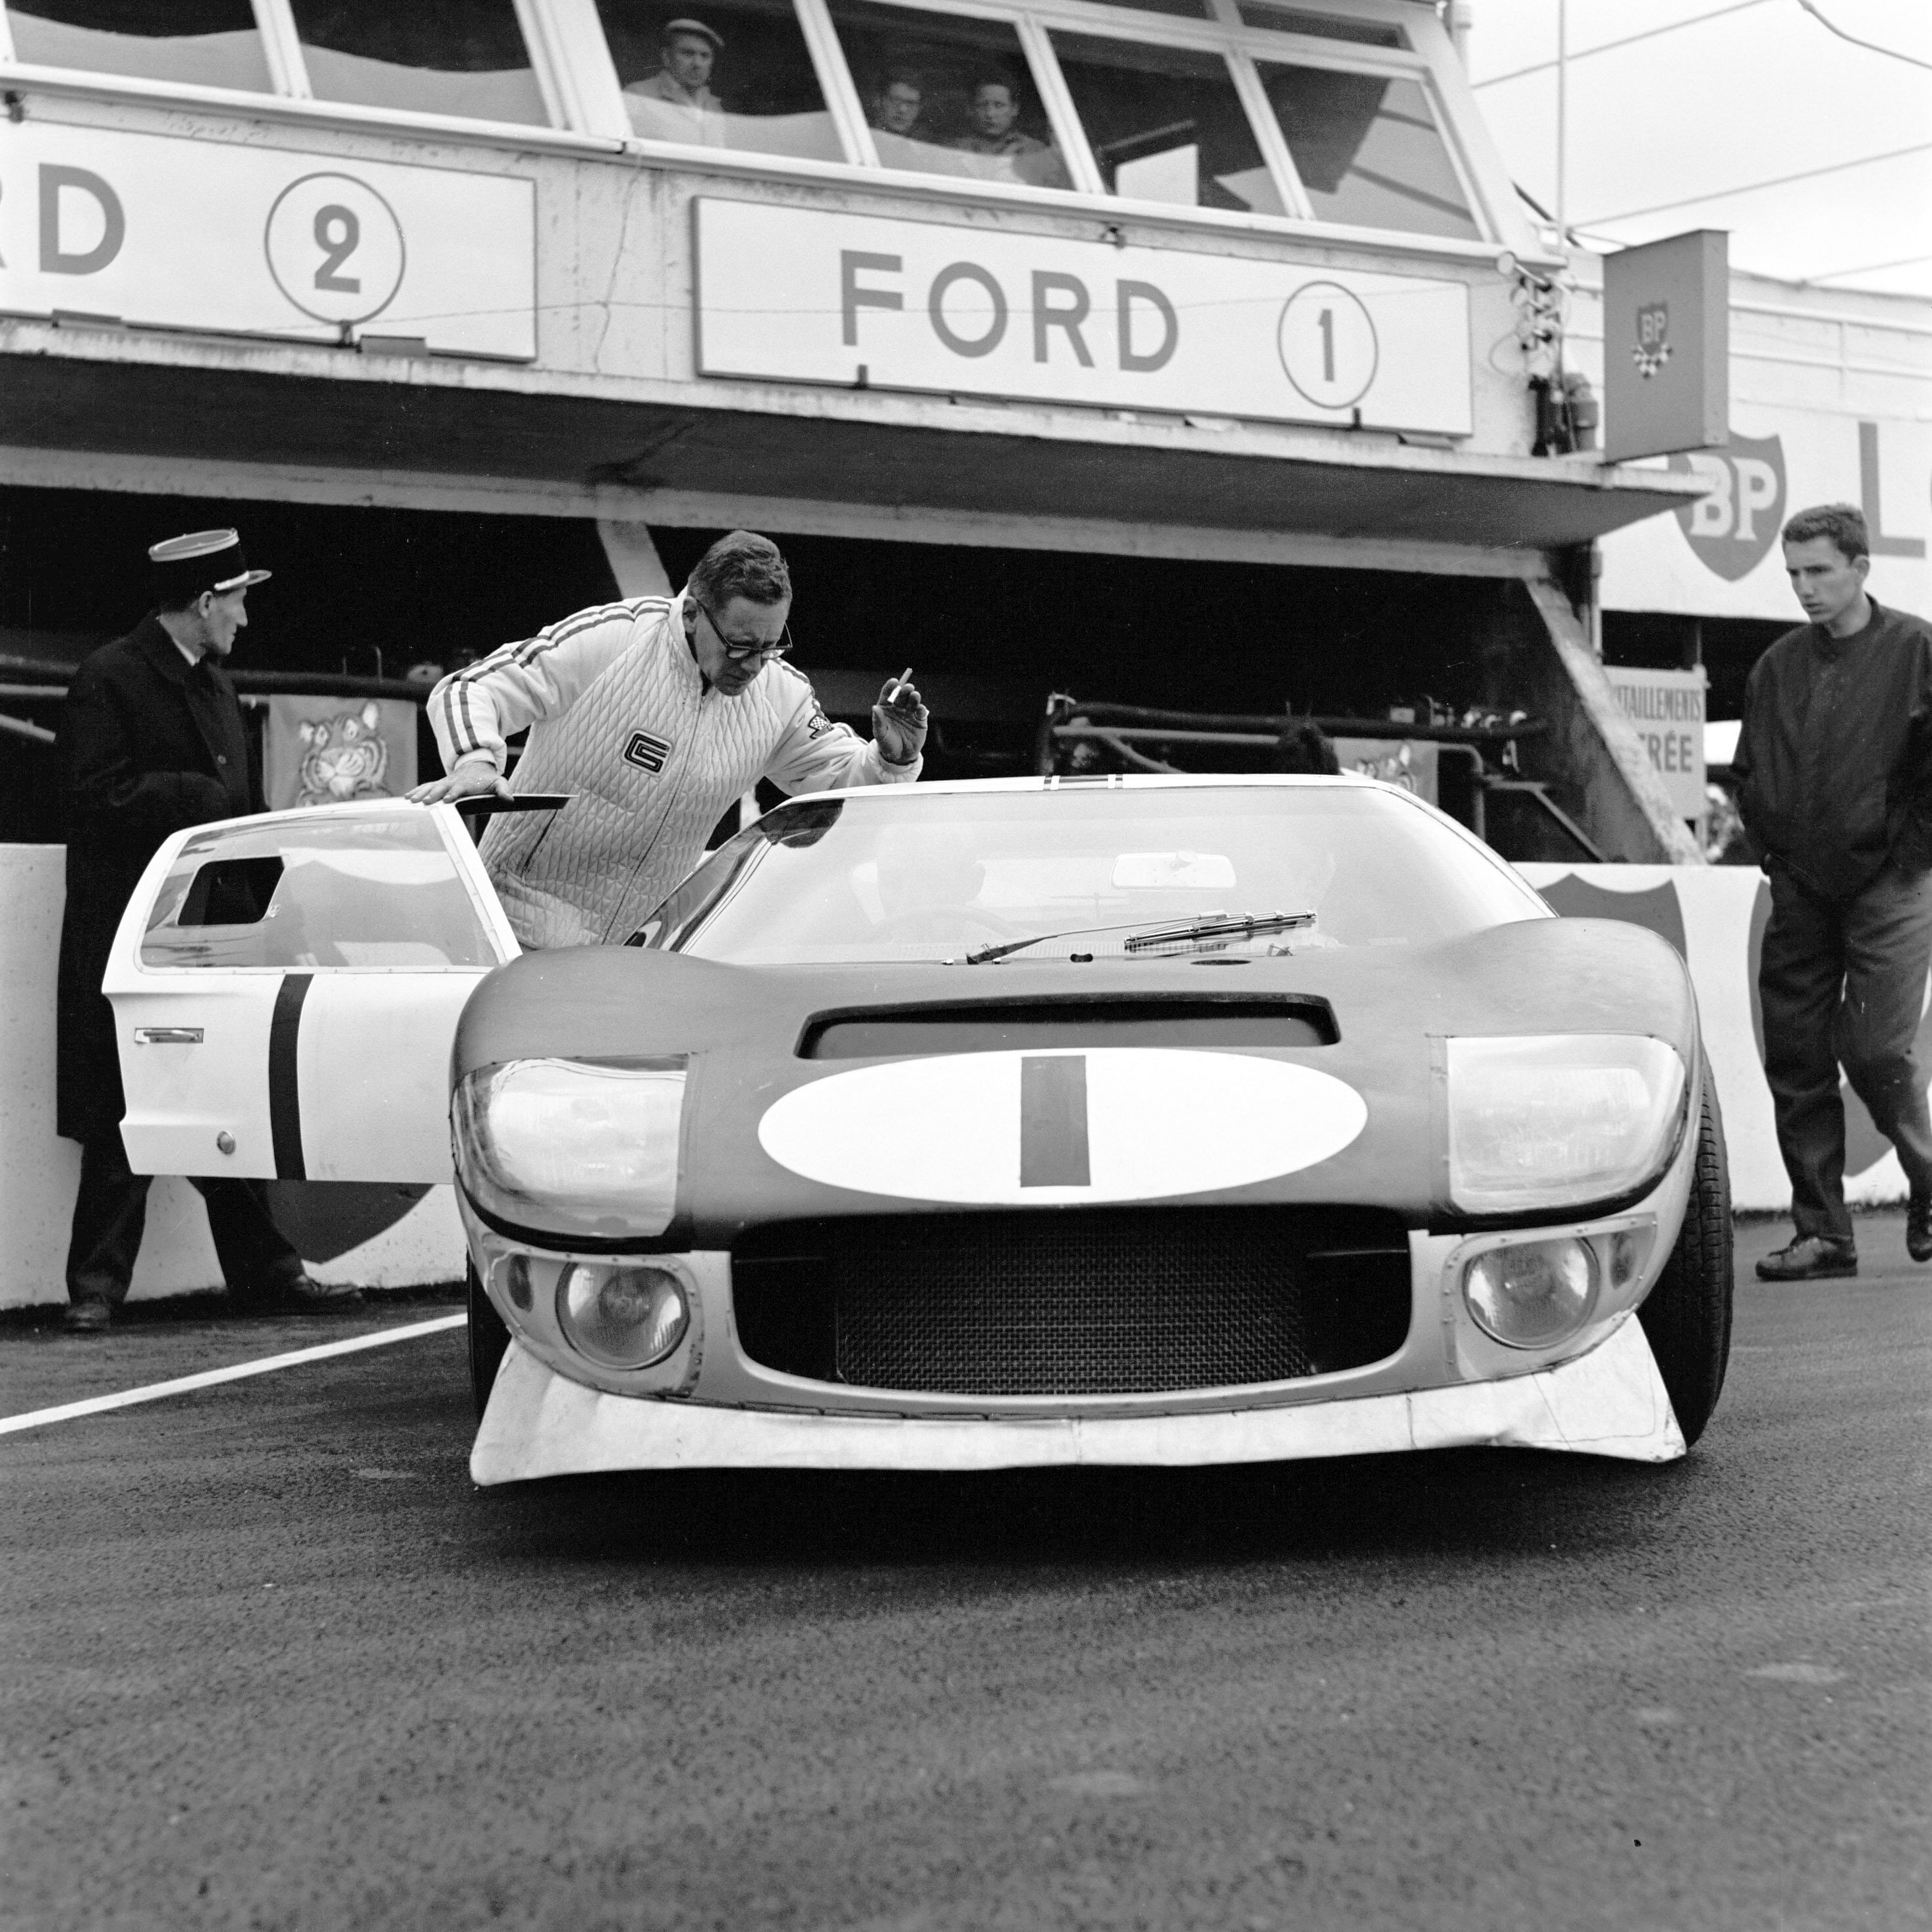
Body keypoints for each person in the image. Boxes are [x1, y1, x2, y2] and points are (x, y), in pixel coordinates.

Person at [55, 530, 353, 1334]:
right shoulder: (109, 677)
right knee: (127, 1112)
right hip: (135, 937)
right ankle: (95, 1287)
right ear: (207, 600)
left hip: (212, 937)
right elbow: (91, 798)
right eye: (240, 600)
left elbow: (238, 815)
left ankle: (265, 1272)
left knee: (226, 1104)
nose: (246, 619)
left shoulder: (213, 685)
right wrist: (196, 794)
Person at [412, 530, 928, 950]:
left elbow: (839, 786)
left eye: (772, 646)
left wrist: (892, 757)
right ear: (690, 613)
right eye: (739, 646)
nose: (752, 666)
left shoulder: (783, 695)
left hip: (642, 955)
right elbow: (471, 687)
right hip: (515, 934)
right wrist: (475, 761)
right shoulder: (614, 636)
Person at [1733, 502, 1932, 1281]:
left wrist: (1907, 857)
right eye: (1793, 573)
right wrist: (1773, 853)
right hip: (1801, 887)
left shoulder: (1917, 649)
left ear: (1860, 567)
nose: (1805, 588)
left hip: (1891, 882)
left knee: (1875, 1046)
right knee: (1795, 1052)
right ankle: (1822, 1232)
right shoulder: (1775, 665)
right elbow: (1747, 770)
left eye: (1818, 570)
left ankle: (1929, 1182)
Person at [950, 78, 1069, 186]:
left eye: (999, 105)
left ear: (1014, 109)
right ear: (971, 109)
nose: (990, 114)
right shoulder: (954, 149)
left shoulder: (1036, 150)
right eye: (982, 105)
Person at [870, 71, 925, 140]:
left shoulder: (924, 147)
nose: (902, 110)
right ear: (879, 101)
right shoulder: (860, 135)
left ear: (919, 109)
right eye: (895, 100)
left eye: (911, 104)